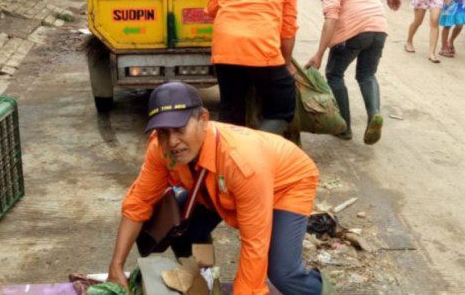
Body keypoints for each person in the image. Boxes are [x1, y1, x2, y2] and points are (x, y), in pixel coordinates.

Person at [107, 82, 323, 295]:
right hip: (217, 185)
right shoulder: (161, 149)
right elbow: (138, 203)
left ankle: (319, 289)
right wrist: (116, 265)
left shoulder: (241, 162)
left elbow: (254, 243)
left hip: (287, 184)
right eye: (163, 132)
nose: (172, 142)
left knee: (282, 271)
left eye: (179, 128)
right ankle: (204, 284)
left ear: (203, 120)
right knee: (182, 230)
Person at [305, 0, 401, 145]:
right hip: (378, 26)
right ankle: (374, 113)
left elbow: (332, 17)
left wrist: (319, 53)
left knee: (334, 73)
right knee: (367, 75)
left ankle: (344, 128)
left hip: (353, 31)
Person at [207, 0, 298, 135]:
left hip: (225, 51)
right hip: (263, 52)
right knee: (283, 106)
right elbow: (287, 28)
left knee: (230, 110)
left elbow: (212, 9)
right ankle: (257, 144)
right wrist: (286, 64)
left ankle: (225, 157)